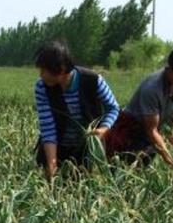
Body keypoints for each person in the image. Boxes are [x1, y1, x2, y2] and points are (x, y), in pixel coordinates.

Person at [33, 41, 120, 178]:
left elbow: (113, 108)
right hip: (58, 147)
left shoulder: (93, 80)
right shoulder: (42, 88)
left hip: (87, 148)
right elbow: (48, 128)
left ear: (60, 70)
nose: (41, 75)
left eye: (44, 70)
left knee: (83, 185)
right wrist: (52, 163)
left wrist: (104, 129)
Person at [104, 46, 173, 168]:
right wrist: (172, 163)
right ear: (169, 69)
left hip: (150, 133)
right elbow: (151, 131)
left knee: (145, 165)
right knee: (124, 168)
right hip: (131, 132)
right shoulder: (152, 88)